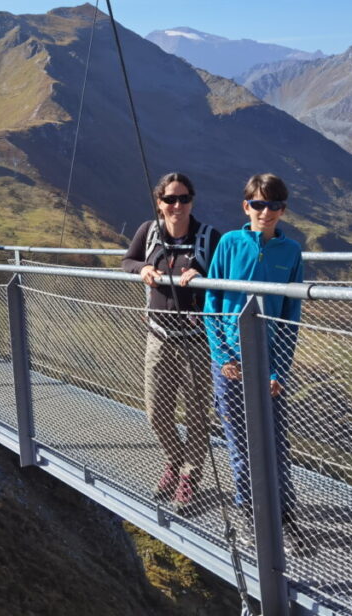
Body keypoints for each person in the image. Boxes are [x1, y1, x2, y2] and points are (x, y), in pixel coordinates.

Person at [204, 173, 304, 531]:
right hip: (229, 363)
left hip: (268, 363)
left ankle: (286, 516)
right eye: (259, 204)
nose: (266, 212)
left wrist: (279, 371)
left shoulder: (291, 252)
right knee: (240, 444)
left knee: (276, 443)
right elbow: (211, 300)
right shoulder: (230, 243)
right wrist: (223, 355)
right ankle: (250, 513)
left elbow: (291, 316)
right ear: (246, 206)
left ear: (283, 209)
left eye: (274, 205)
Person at [122, 172, 220, 514]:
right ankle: (175, 461)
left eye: (184, 199)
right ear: (159, 202)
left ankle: (190, 477)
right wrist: (143, 270)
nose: (177, 206)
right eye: (170, 199)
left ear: (192, 201)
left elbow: (225, 281)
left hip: (197, 340)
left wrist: (205, 278)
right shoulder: (148, 232)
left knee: (197, 415)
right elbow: (127, 261)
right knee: (156, 413)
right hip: (158, 337)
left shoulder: (209, 237)